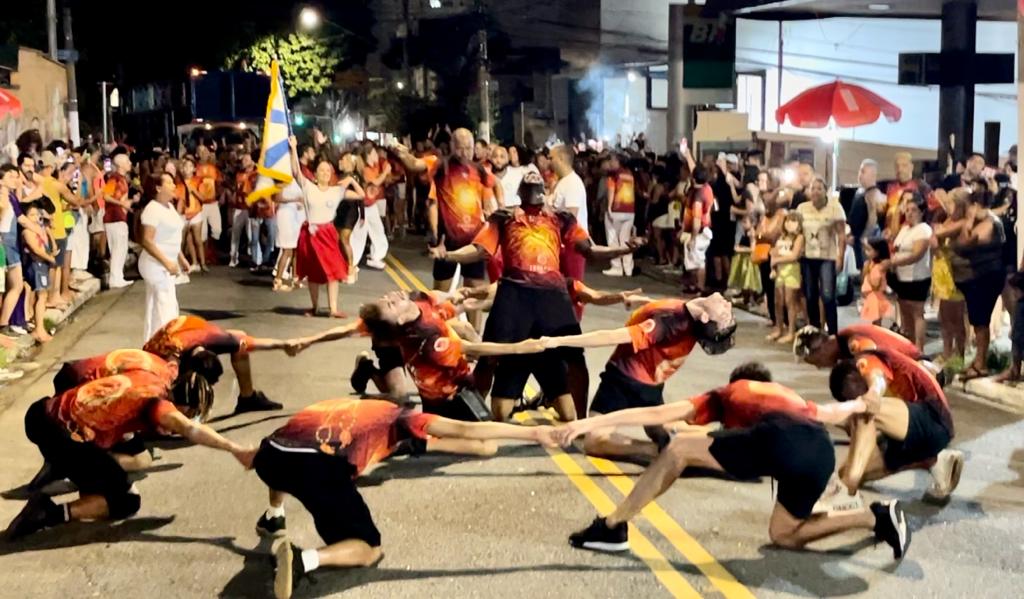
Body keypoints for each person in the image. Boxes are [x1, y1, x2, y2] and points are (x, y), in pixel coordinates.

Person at [558, 362, 911, 560]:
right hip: (819, 452)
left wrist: (587, 424)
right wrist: (874, 391)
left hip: (779, 440)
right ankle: (876, 517)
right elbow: (845, 409)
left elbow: (655, 412)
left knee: (679, 450)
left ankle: (612, 526)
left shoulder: (729, 392)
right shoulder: (793, 399)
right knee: (783, 534)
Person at [255, 398, 557, 599]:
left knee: (288, 461)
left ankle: (274, 515)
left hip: (269, 455)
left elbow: (282, 446)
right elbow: (467, 429)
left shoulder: (341, 407)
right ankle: (303, 561)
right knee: (369, 548)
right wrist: (533, 434)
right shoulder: (400, 417)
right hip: (317, 469)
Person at [430, 171, 640, 422]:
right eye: (528, 180)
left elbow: (592, 251)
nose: (532, 176)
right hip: (514, 295)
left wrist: (623, 249)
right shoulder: (505, 217)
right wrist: (448, 255)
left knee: (575, 358)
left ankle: (582, 420)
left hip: (552, 296)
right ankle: (471, 416)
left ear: (546, 190)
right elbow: (479, 251)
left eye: (537, 178)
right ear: (519, 192)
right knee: (489, 358)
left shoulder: (562, 219)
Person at [3, 369, 256, 541]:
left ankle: (66, 472)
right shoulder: (159, 406)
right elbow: (191, 430)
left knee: (106, 469)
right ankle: (45, 513)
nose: (186, 419)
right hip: (59, 432)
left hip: (44, 411)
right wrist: (236, 449)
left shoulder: (155, 376)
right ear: (184, 406)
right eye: (190, 412)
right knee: (127, 501)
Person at [536, 293, 735, 461]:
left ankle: (655, 451)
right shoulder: (685, 311)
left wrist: (558, 341)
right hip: (649, 387)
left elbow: (610, 336)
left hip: (624, 382)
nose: (728, 304)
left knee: (594, 442)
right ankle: (726, 443)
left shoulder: (668, 321)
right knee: (666, 431)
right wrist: (642, 302)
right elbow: (661, 311)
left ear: (706, 318)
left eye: (725, 314)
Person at [292, 290, 548, 421]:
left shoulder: (418, 301)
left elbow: (461, 303)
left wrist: (502, 292)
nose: (392, 296)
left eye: (389, 298)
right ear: (399, 317)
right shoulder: (418, 335)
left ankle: (370, 370)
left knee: (468, 332)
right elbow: (344, 330)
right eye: (390, 303)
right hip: (395, 346)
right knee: (399, 399)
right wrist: (519, 347)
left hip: (424, 354)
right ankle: (369, 373)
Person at [829, 347, 963, 502]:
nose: (853, 398)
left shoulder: (867, 361)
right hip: (908, 430)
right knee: (844, 471)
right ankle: (934, 460)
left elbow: (877, 378)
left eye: (849, 395)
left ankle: (847, 489)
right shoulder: (874, 401)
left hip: (933, 418)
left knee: (866, 409)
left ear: (852, 378)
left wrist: (873, 393)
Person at [390, 128, 502, 296]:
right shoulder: (440, 164)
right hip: (447, 239)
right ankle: (439, 322)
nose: (464, 152)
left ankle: (473, 325)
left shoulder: (479, 170)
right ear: (452, 146)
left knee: (473, 295)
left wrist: (499, 205)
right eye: (460, 147)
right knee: (439, 295)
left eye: (469, 148)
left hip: (474, 240)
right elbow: (414, 164)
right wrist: (402, 153)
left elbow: (496, 184)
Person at [143, 314, 288, 414]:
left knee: (239, 344)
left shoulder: (218, 340)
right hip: (160, 352)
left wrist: (285, 344)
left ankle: (248, 397)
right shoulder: (168, 363)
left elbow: (247, 341)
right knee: (173, 407)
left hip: (195, 332)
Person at [288, 137, 361, 318]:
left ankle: (333, 308)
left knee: (333, 271)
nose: (325, 173)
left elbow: (361, 195)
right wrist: (293, 149)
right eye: (321, 170)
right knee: (313, 273)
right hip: (311, 234)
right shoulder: (308, 187)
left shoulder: (337, 191)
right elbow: (296, 171)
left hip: (327, 233)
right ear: (315, 173)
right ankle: (315, 307)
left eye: (328, 170)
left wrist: (351, 180)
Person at [953, 188, 1005, 379]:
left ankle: (981, 363)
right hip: (978, 278)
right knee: (978, 322)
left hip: (986, 278)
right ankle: (978, 361)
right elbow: (958, 245)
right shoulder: (982, 221)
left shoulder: (989, 222)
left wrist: (968, 222)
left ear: (975, 206)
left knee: (981, 322)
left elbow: (966, 243)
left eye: (968, 208)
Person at [139, 173, 188, 341]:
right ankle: (165, 342)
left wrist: (181, 258)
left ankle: (154, 341)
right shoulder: (152, 209)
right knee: (164, 306)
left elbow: (172, 236)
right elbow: (147, 240)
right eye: (169, 182)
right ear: (158, 188)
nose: (174, 185)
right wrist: (167, 262)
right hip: (155, 264)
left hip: (167, 264)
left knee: (161, 304)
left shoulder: (169, 207)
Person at [797, 177, 846, 334]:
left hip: (827, 256)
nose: (815, 192)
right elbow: (795, 231)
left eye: (819, 188)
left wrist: (840, 256)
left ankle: (833, 333)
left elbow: (841, 234)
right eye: (813, 188)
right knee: (810, 295)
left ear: (825, 191)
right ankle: (815, 330)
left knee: (827, 296)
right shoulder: (802, 208)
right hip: (808, 256)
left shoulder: (835, 208)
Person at [889, 191, 932, 350]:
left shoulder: (923, 229)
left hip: (917, 277)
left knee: (917, 313)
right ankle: (909, 345)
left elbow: (916, 254)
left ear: (921, 211)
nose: (909, 213)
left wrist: (894, 261)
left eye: (913, 210)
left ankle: (919, 347)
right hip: (902, 277)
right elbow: (896, 247)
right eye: (907, 210)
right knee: (905, 313)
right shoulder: (905, 229)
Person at [551, 144, 589, 283]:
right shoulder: (563, 182)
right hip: (562, 243)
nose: (550, 162)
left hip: (572, 244)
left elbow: (571, 215)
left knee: (573, 286)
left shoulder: (572, 183)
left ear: (561, 159)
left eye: (552, 158)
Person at [21, 202, 56, 343]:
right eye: (31, 215)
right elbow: (35, 249)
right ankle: (38, 329)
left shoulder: (38, 228)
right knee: (41, 295)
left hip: (42, 263)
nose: (35, 218)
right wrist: (50, 258)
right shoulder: (27, 231)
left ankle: (39, 326)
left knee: (42, 294)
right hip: (36, 264)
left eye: (37, 214)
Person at [351, 145, 390, 271]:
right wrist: (385, 172)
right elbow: (375, 182)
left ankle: (376, 257)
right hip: (362, 207)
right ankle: (351, 262)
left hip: (371, 205)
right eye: (374, 153)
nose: (377, 156)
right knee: (359, 236)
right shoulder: (365, 169)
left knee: (378, 231)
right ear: (368, 155)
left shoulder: (374, 167)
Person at [767, 211, 804, 343]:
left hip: (792, 271)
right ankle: (779, 327)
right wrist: (775, 259)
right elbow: (774, 251)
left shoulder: (799, 238)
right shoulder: (782, 237)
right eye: (788, 220)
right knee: (778, 301)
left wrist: (777, 260)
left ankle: (791, 331)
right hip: (780, 272)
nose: (790, 223)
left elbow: (794, 256)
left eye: (793, 221)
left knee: (790, 301)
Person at [1, 164, 27, 337]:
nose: (16, 179)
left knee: (12, 286)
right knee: (16, 285)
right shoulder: (4, 197)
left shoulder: (10, 196)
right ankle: (3, 324)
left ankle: (5, 323)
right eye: (11, 176)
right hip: (6, 242)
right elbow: (21, 219)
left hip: (8, 241)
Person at [103, 153, 135, 289]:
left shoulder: (121, 179)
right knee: (117, 249)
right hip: (114, 217)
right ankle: (115, 278)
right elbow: (106, 195)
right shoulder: (114, 178)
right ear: (120, 164)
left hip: (119, 217)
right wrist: (121, 204)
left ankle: (118, 277)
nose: (130, 163)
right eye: (128, 161)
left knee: (121, 249)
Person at [602, 154, 636, 277]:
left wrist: (609, 207)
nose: (611, 162)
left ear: (618, 162)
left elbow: (611, 191)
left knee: (613, 239)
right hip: (630, 210)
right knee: (625, 241)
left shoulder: (613, 175)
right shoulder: (629, 174)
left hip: (616, 210)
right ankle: (628, 267)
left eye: (613, 160)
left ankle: (616, 267)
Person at [755, 189, 784, 326]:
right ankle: (773, 318)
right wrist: (762, 236)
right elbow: (757, 234)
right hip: (763, 256)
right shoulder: (764, 218)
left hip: (776, 255)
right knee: (767, 287)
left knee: (776, 289)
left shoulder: (781, 216)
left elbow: (773, 236)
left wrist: (762, 236)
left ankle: (782, 320)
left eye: (768, 202)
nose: (766, 205)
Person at [272, 181, 305, 291]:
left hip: (295, 217)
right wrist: (295, 200)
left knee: (295, 249)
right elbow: (277, 198)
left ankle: (295, 278)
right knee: (287, 250)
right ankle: (278, 280)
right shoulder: (283, 180)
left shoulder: (298, 180)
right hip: (285, 216)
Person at [848, 159, 879, 269]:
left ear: (873, 174)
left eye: (863, 171)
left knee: (864, 274)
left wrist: (864, 239)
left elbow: (873, 218)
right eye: (860, 171)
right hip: (855, 241)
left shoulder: (873, 194)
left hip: (864, 244)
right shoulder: (860, 192)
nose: (860, 174)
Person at [229, 151, 257, 268]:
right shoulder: (239, 174)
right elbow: (236, 190)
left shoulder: (256, 174)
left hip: (250, 208)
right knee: (235, 234)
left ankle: (253, 259)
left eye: (246, 160)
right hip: (239, 208)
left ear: (252, 161)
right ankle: (233, 258)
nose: (244, 162)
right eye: (243, 160)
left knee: (251, 236)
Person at [727, 216, 761, 307]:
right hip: (743, 259)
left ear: (752, 223)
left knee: (748, 280)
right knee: (743, 279)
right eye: (743, 222)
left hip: (748, 260)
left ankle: (751, 298)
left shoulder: (751, 233)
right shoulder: (745, 232)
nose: (743, 224)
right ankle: (745, 296)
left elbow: (753, 249)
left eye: (745, 222)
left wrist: (740, 249)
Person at [195, 145, 224, 250]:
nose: (204, 154)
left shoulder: (214, 169)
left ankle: (212, 250)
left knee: (217, 230)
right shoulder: (195, 169)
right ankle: (206, 255)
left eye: (206, 151)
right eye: (201, 152)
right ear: (197, 154)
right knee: (203, 233)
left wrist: (220, 195)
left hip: (213, 203)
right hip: (201, 205)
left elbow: (219, 183)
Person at [860, 237, 892, 326]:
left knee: (876, 318)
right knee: (874, 319)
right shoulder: (870, 264)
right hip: (871, 295)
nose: (866, 252)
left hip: (876, 295)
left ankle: (877, 335)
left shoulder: (881, 266)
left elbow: (875, 283)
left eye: (869, 250)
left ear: (878, 252)